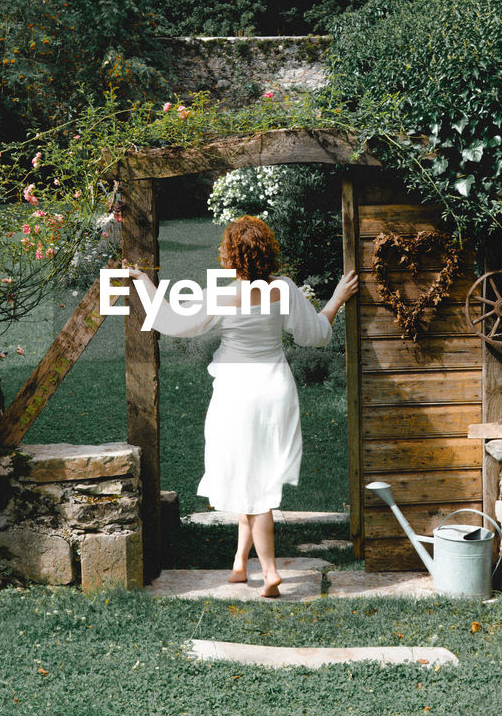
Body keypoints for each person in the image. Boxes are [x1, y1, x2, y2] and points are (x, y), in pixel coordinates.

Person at [128, 215, 358, 598]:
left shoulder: (222, 294)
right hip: (274, 391)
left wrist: (143, 281)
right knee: (251, 473)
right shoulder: (282, 289)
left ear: (229, 255)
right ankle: (239, 563)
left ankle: (268, 572)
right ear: (268, 251)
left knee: (255, 486)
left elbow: (169, 320)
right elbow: (314, 334)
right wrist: (336, 298)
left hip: (237, 393)